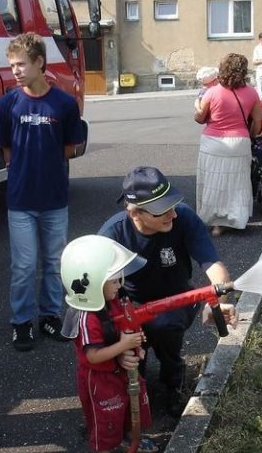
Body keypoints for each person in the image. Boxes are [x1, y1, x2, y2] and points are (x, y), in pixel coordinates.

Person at [99, 166, 237, 415]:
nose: (172, 215)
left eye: (172, 205)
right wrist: (114, 344)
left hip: (177, 300)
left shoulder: (182, 218)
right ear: (134, 212)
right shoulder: (112, 235)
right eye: (162, 210)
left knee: (164, 328)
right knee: (131, 360)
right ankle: (136, 382)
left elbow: (213, 264)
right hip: (129, 306)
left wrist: (220, 300)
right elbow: (97, 294)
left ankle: (174, 382)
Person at [0, 31, 85, 351]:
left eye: (21, 64)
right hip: (20, 200)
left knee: (53, 262)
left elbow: (70, 148)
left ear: (39, 62)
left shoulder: (63, 103)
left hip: (54, 199)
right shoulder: (7, 103)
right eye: (12, 65)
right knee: (23, 265)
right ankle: (21, 322)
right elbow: (6, 151)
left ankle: (49, 315)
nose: (15, 70)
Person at [61, 235, 158, 453]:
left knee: (126, 408)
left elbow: (127, 326)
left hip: (119, 371)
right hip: (99, 379)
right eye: (113, 280)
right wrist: (123, 346)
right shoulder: (87, 317)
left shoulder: (114, 302)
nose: (119, 284)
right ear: (92, 283)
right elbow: (92, 356)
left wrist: (136, 345)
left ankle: (127, 437)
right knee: (106, 416)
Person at [194, 53, 262, 236]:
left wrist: (197, 107)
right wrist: (250, 135)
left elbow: (200, 118)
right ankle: (235, 219)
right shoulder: (252, 93)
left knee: (213, 183)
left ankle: (216, 224)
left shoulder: (212, 92)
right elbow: (257, 121)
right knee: (237, 183)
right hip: (239, 141)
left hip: (213, 142)